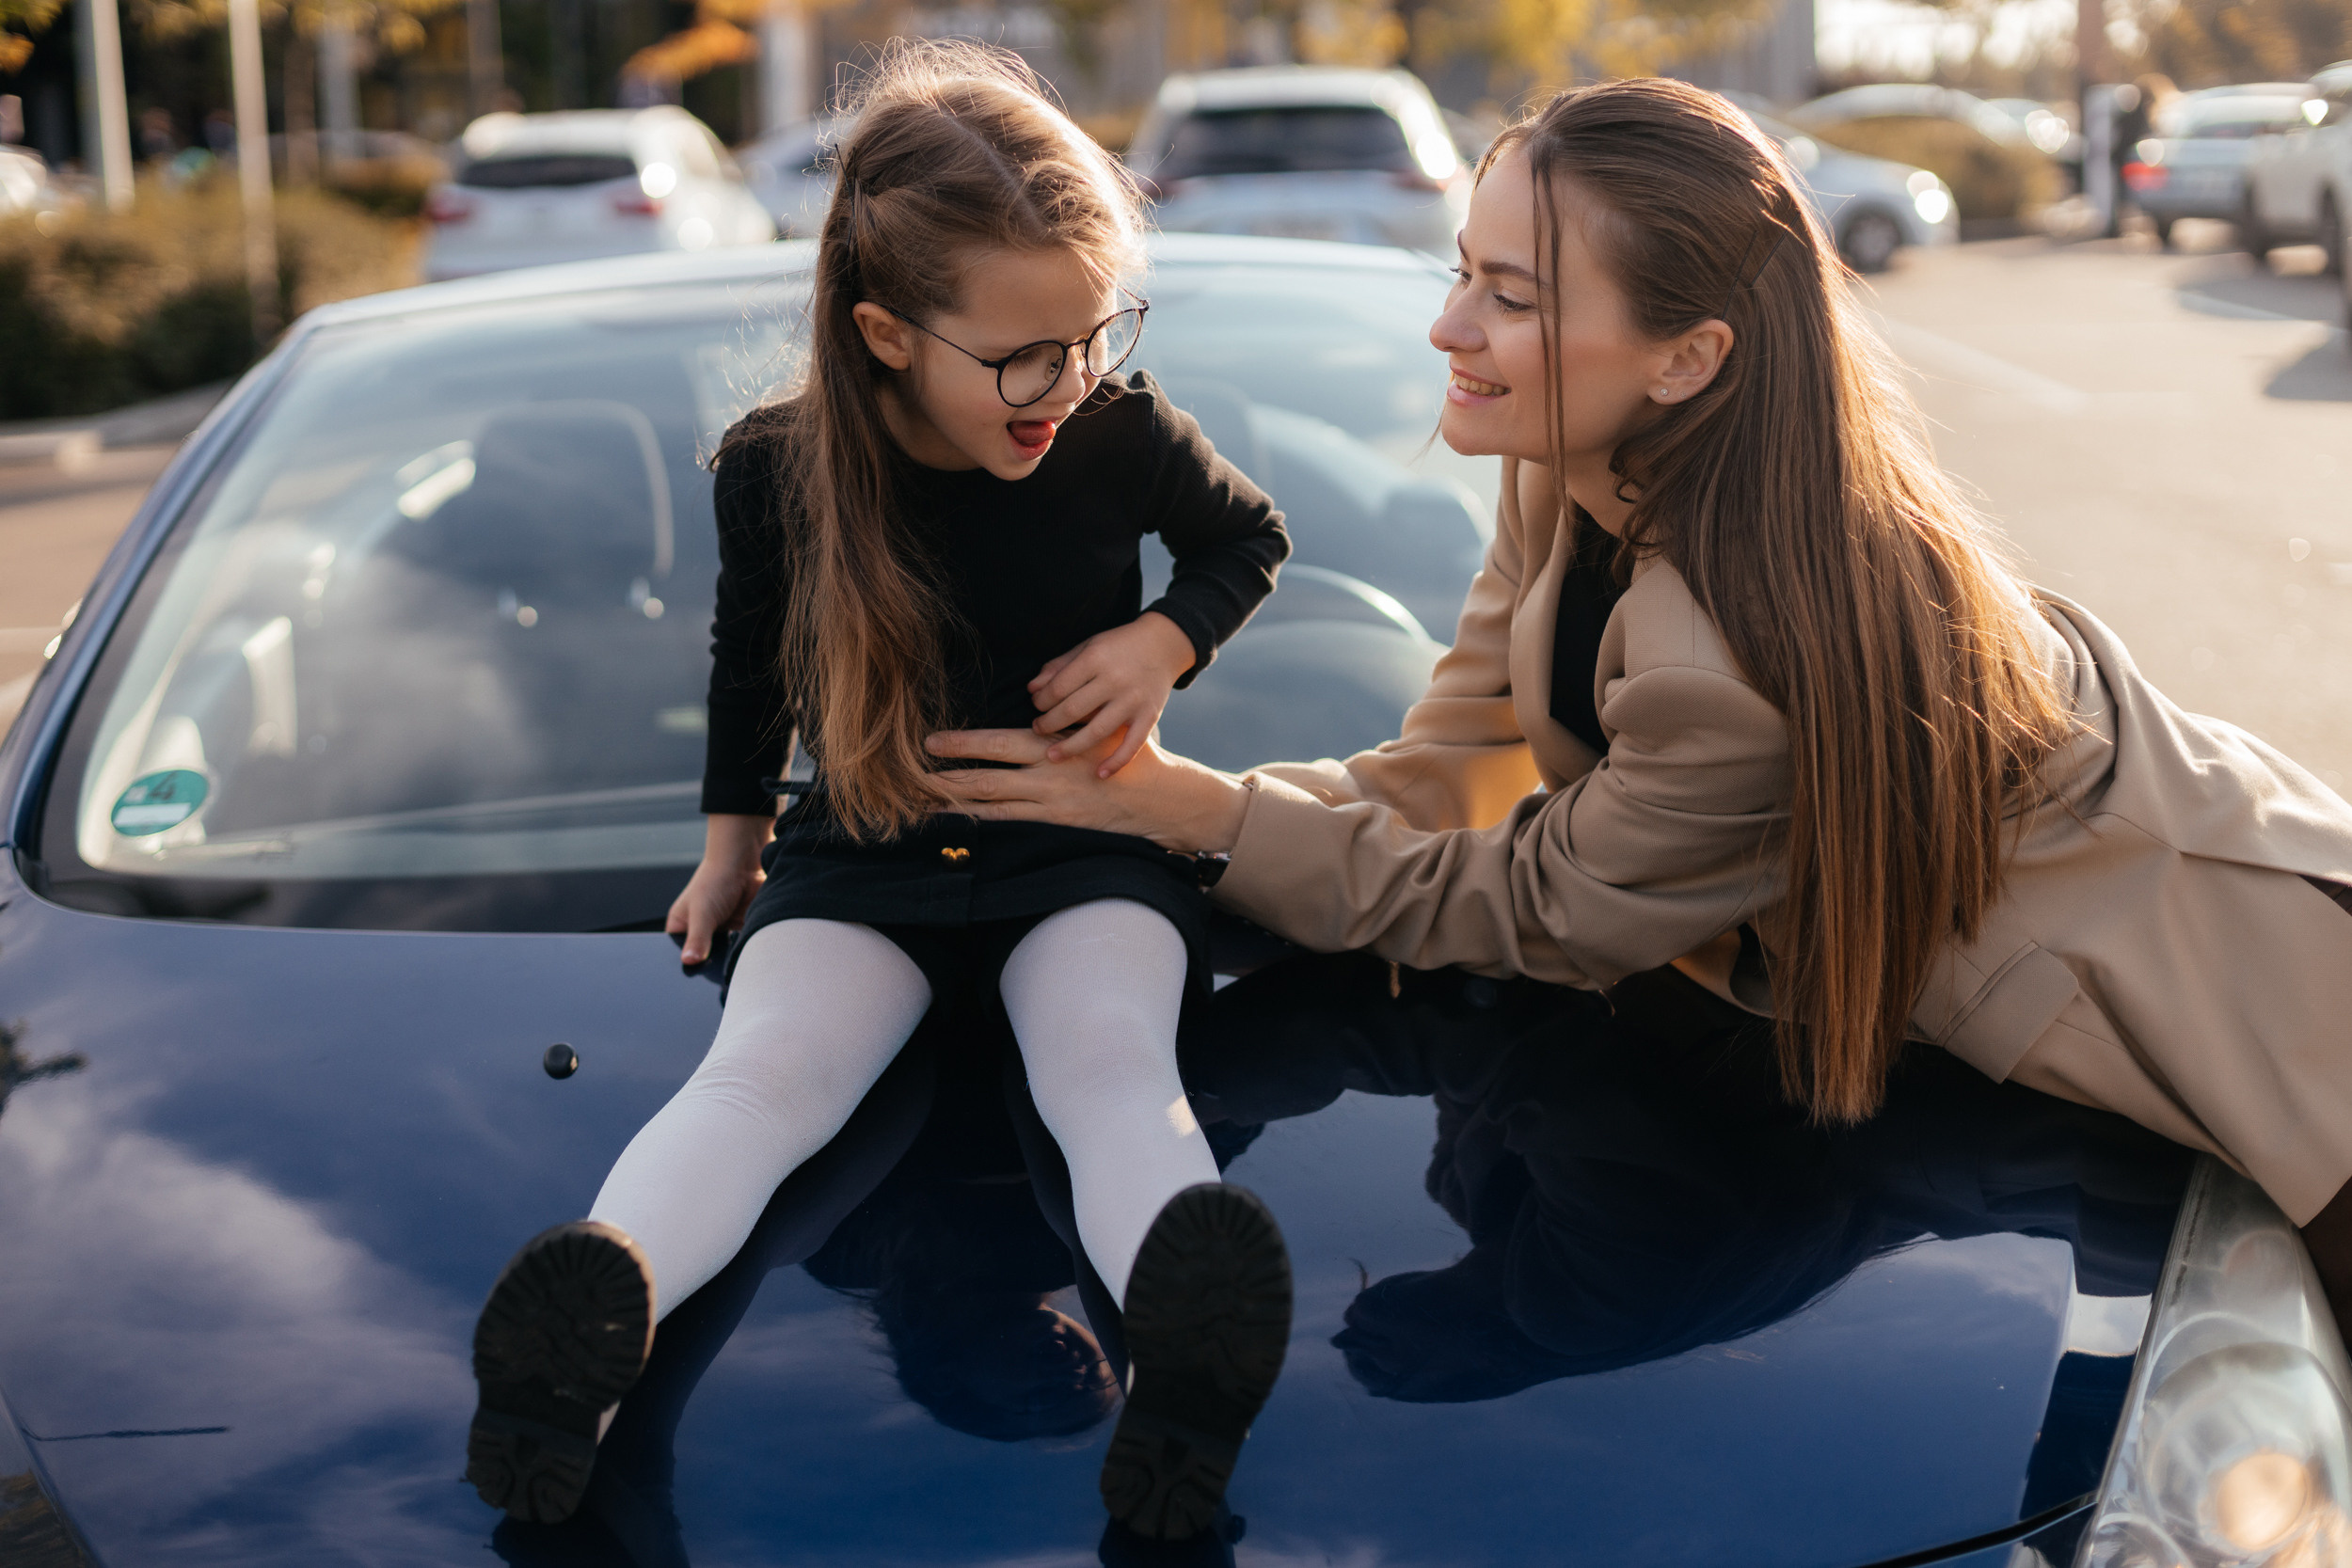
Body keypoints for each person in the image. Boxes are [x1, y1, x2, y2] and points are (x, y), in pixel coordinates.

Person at [926, 77, 2352, 1333]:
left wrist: (1196, 807)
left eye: (1512, 297)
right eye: (1463, 271)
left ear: (1687, 358)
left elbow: (1542, 908)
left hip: (2279, 1039)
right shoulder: (1566, 466)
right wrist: (1173, 823)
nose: (1448, 327)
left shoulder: (1735, 661)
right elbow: (1457, 768)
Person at [464, 40, 1295, 1543]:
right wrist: (728, 854)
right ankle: (570, 1361)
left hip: (1083, 833)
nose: (1069, 383)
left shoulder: (1121, 432)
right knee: (761, 1079)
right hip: (863, 848)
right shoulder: (781, 469)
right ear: (887, 331)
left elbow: (1249, 539)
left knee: (1112, 1069)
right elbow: (746, 676)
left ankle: (1183, 1364)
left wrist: (1162, 640)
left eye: (1097, 335)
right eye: (1023, 356)